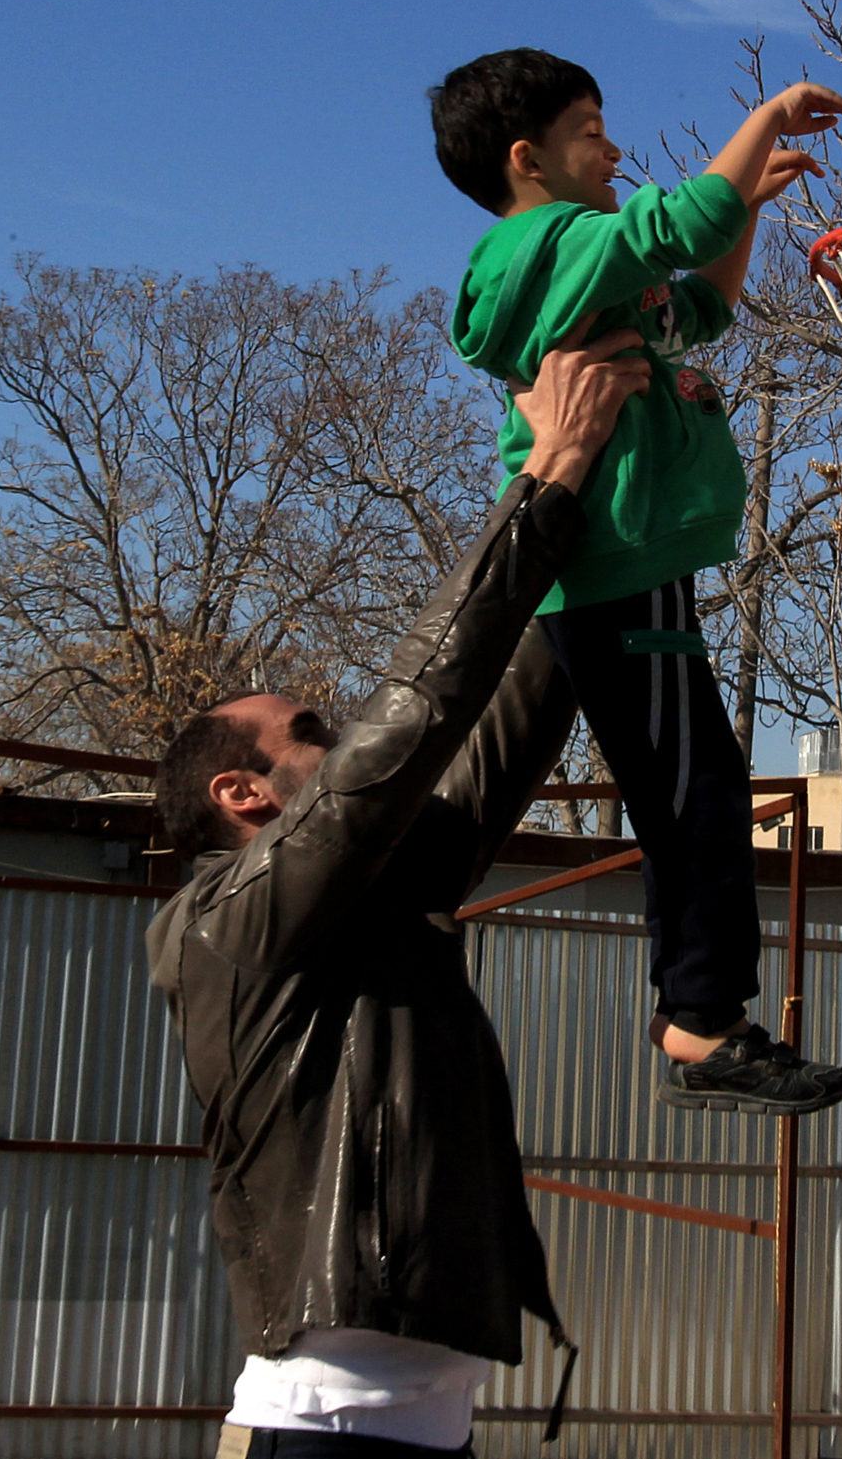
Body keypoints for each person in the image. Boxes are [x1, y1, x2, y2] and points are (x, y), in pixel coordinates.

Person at [147, 331, 652, 1457]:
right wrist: (546, 469)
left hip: (425, 1434)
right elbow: (420, 714)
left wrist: (611, 483)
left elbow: (513, 707)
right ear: (246, 791)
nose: (344, 740)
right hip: (315, 1434)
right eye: (312, 733)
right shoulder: (228, 921)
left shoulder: (374, 897)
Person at [429, 46, 842, 1116]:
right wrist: (764, 118)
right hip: (615, 563)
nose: (612, 145)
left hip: (620, 564)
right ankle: (704, 1023)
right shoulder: (544, 244)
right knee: (694, 796)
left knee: (681, 790)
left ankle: (695, 1011)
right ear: (528, 162)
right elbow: (674, 228)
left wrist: (746, 206)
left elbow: (697, 311)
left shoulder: (587, 269)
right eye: (590, 128)